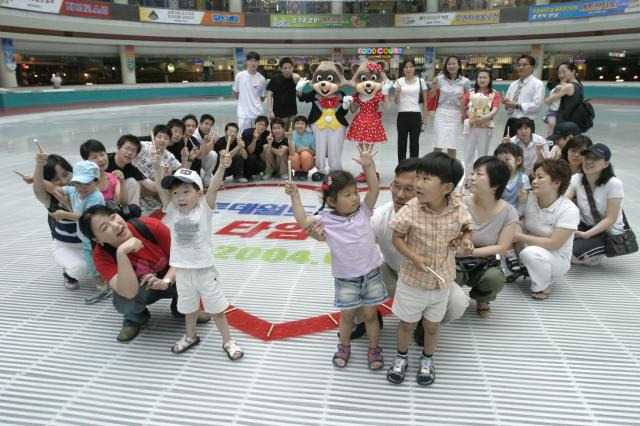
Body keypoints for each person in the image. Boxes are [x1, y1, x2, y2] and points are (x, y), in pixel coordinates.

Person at [306, 159, 470, 340]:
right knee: (357, 280)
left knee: (457, 303)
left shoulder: (447, 215)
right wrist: (322, 235)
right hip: (393, 273)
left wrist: (463, 243)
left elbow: (465, 233)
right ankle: (367, 317)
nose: (399, 195)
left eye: (409, 189)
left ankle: (426, 323)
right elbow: (349, 243)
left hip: (430, 277)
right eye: (395, 186)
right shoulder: (380, 216)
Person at [286, 144, 387, 371]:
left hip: (371, 273)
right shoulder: (325, 219)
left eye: (355, 193)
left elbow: (374, 189)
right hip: (346, 278)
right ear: (331, 201)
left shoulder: (363, 211)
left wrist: (368, 165)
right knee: (347, 316)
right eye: (348, 195)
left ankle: (374, 348)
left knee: (371, 315)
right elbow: (303, 221)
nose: (354, 198)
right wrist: (295, 196)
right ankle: (344, 346)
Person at [387, 152, 473, 386]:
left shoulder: (457, 205)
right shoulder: (411, 208)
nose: (418, 184)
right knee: (406, 324)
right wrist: (414, 258)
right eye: (419, 177)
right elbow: (397, 238)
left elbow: (466, 227)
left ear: (446, 187)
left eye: (426, 179)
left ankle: (427, 359)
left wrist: (466, 239)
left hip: (441, 280)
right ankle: (401, 357)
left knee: (432, 326)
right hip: (412, 280)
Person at [152, 152, 244, 359]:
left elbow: (214, 187)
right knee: (188, 308)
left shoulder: (204, 209)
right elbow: (159, 188)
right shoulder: (173, 211)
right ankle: (191, 336)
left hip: (204, 270)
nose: (180, 197)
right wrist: (156, 167)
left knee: (216, 309)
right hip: (182, 272)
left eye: (186, 191)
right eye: (175, 193)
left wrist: (221, 166)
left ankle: (228, 341)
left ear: (199, 193)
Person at [79, 205, 211, 341]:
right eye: (104, 227)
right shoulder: (101, 257)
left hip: (170, 280)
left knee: (195, 271)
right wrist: (121, 253)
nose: (115, 225)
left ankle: (183, 309)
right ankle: (135, 319)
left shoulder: (149, 226)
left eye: (113, 217)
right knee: (124, 300)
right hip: (141, 289)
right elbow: (128, 292)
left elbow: (183, 259)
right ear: (97, 240)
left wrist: (165, 282)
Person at [460, 156, 518, 318]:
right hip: (455, 257)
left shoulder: (508, 211)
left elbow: (502, 247)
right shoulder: (460, 204)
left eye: (479, 174)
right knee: (449, 277)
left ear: (496, 184)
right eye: (473, 173)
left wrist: (471, 252)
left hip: (484, 261)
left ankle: (482, 299)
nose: (472, 178)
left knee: (494, 278)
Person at [512, 159, 579, 300]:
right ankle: (521, 268)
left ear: (556, 183)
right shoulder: (530, 198)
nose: (534, 181)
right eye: (534, 177)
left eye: (540, 177)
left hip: (556, 258)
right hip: (527, 247)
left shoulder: (568, 210)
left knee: (530, 253)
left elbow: (554, 244)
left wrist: (520, 237)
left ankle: (544, 283)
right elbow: (517, 220)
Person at [32, 147, 86, 290]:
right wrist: (39, 166)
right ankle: (68, 271)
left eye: (66, 174)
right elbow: (38, 189)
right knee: (80, 269)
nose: (63, 181)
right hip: (66, 244)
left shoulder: (83, 188)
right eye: (56, 179)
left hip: (88, 243)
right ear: (48, 182)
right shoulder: (50, 200)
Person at [60, 160, 112, 304]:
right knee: (95, 264)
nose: (82, 188)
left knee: (95, 265)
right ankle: (106, 286)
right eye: (78, 183)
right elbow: (59, 189)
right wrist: (37, 180)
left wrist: (63, 214)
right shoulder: (75, 191)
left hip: (96, 239)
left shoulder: (96, 197)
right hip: (86, 239)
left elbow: (84, 217)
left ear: (97, 182)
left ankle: (104, 289)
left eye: (87, 183)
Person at [565, 143, 624, 266]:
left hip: (608, 232)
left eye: (595, 159)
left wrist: (586, 235)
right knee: (557, 243)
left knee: (571, 253)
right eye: (587, 158)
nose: (588, 162)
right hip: (585, 225)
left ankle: (594, 255)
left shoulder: (614, 184)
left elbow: (611, 219)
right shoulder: (577, 178)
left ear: (606, 164)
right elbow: (563, 201)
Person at [462, 69, 501, 179]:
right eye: (480, 77)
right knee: (468, 153)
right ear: (477, 79)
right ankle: (468, 177)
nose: (482, 80)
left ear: (489, 79)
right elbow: (464, 109)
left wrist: (484, 118)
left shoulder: (494, 94)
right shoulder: (470, 92)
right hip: (470, 127)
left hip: (485, 127)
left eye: (485, 77)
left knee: (483, 153)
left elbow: (495, 109)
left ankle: (480, 177)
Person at [429, 56, 470, 158]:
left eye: (454, 63)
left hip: (456, 114)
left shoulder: (465, 81)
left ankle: (451, 170)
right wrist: (434, 86)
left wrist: (463, 102)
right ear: (446, 66)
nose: (451, 66)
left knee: (452, 144)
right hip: (441, 113)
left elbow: (468, 99)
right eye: (449, 64)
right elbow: (431, 96)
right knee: (438, 143)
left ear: (459, 65)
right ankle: (434, 168)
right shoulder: (439, 79)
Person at [393, 57, 428, 162]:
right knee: (401, 143)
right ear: (403, 69)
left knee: (414, 143)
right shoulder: (399, 81)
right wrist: (398, 92)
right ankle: (402, 168)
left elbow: (425, 101)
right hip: (402, 115)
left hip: (416, 115)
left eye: (411, 66)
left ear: (414, 68)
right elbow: (396, 102)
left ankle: (413, 168)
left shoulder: (420, 81)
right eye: (406, 67)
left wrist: (425, 117)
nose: (408, 69)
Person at [502, 55, 545, 137]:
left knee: (523, 149)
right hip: (510, 122)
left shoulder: (538, 84)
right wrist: (505, 102)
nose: (520, 67)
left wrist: (517, 105)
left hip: (526, 125)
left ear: (532, 67)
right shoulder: (513, 84)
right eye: (518, 65)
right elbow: (508, 106)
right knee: (507, 148)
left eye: (524, 65)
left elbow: (537, 106)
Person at [106, 134, 155, 206]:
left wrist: (158, 168)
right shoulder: (105, 161)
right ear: (117, 148)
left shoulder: (131, 169)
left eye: (133, 150)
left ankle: (132, 211)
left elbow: (153, 187)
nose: (129, 153)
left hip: (118, 201)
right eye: (127, 148)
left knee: (133, 182)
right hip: (102, 199)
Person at [80, 139, 128, 207]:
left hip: (110, 214)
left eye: (102, 154)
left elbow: (123, 203)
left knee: (134, 209)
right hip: (92, 214)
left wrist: (122, 181)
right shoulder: (83, 181)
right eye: (94, 157)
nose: (101, 159)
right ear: (85, 161)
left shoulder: (113, 177)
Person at [233, 51, 267, 133]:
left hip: (258, 114)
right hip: (243, 115)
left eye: (255, 61)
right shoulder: (239, 76)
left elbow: (262, 98)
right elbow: (235, 93)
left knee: (258, 136)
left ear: (258, 63)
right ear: (246, 62)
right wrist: (244, 101)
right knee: (243, 137)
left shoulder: (262, 79)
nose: (253, 63)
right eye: (251, 61)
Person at [494, 143, 530, 216]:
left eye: (507, 159)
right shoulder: (495, 177)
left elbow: (524, 201)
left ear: (518, 160)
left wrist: (523, 198)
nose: (503, 163)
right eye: (499, 160)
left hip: (515, 215)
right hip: (496, 213)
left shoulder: (523, 178)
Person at [266, 57, 301, 130]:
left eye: (289, 67)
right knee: (279, 134)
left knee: (292, 134)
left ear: (293, 68)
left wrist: (298, 82)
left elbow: (301, 94)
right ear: (281, 69)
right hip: (279, 114)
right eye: (285, 68)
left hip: (292, 113)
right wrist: (270, 111)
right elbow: (269, 95)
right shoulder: (275, 79)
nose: (288, 70)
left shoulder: (295, 78)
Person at [544, 62, 582, 128]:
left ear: (573, 72)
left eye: (564, 72)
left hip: (563, 123)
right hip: (573, 122)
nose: (561, 75)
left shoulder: (568, 86)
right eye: (559, 73)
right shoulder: (579, 85)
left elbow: (547, 101)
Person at [240, 116, 270, 181]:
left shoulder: (266, 134)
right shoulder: (247, 132)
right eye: (260, 124)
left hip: (256, 157)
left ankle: (254, 172)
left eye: (264, 125)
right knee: (252, 157)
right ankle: (246, 175)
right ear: (255, 124)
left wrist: (269, 143)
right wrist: (254, 139)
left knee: (262, 166)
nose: (262, 127)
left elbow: (266, 153)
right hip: (245, 157)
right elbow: (250, 151)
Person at [287, 115, 316, 181]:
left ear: (306, 126)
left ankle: (305, 172)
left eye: (302, 124)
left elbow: (314, 153)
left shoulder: (311, 135)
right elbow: (292, 153)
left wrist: (307, 150)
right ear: (294, 125)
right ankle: (297, 172)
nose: (299, 126)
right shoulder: (291, 135)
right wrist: (290, 139)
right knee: (293, 156)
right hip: (296, 159)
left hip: (308, 160)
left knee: (305, 154)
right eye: (297, 123)